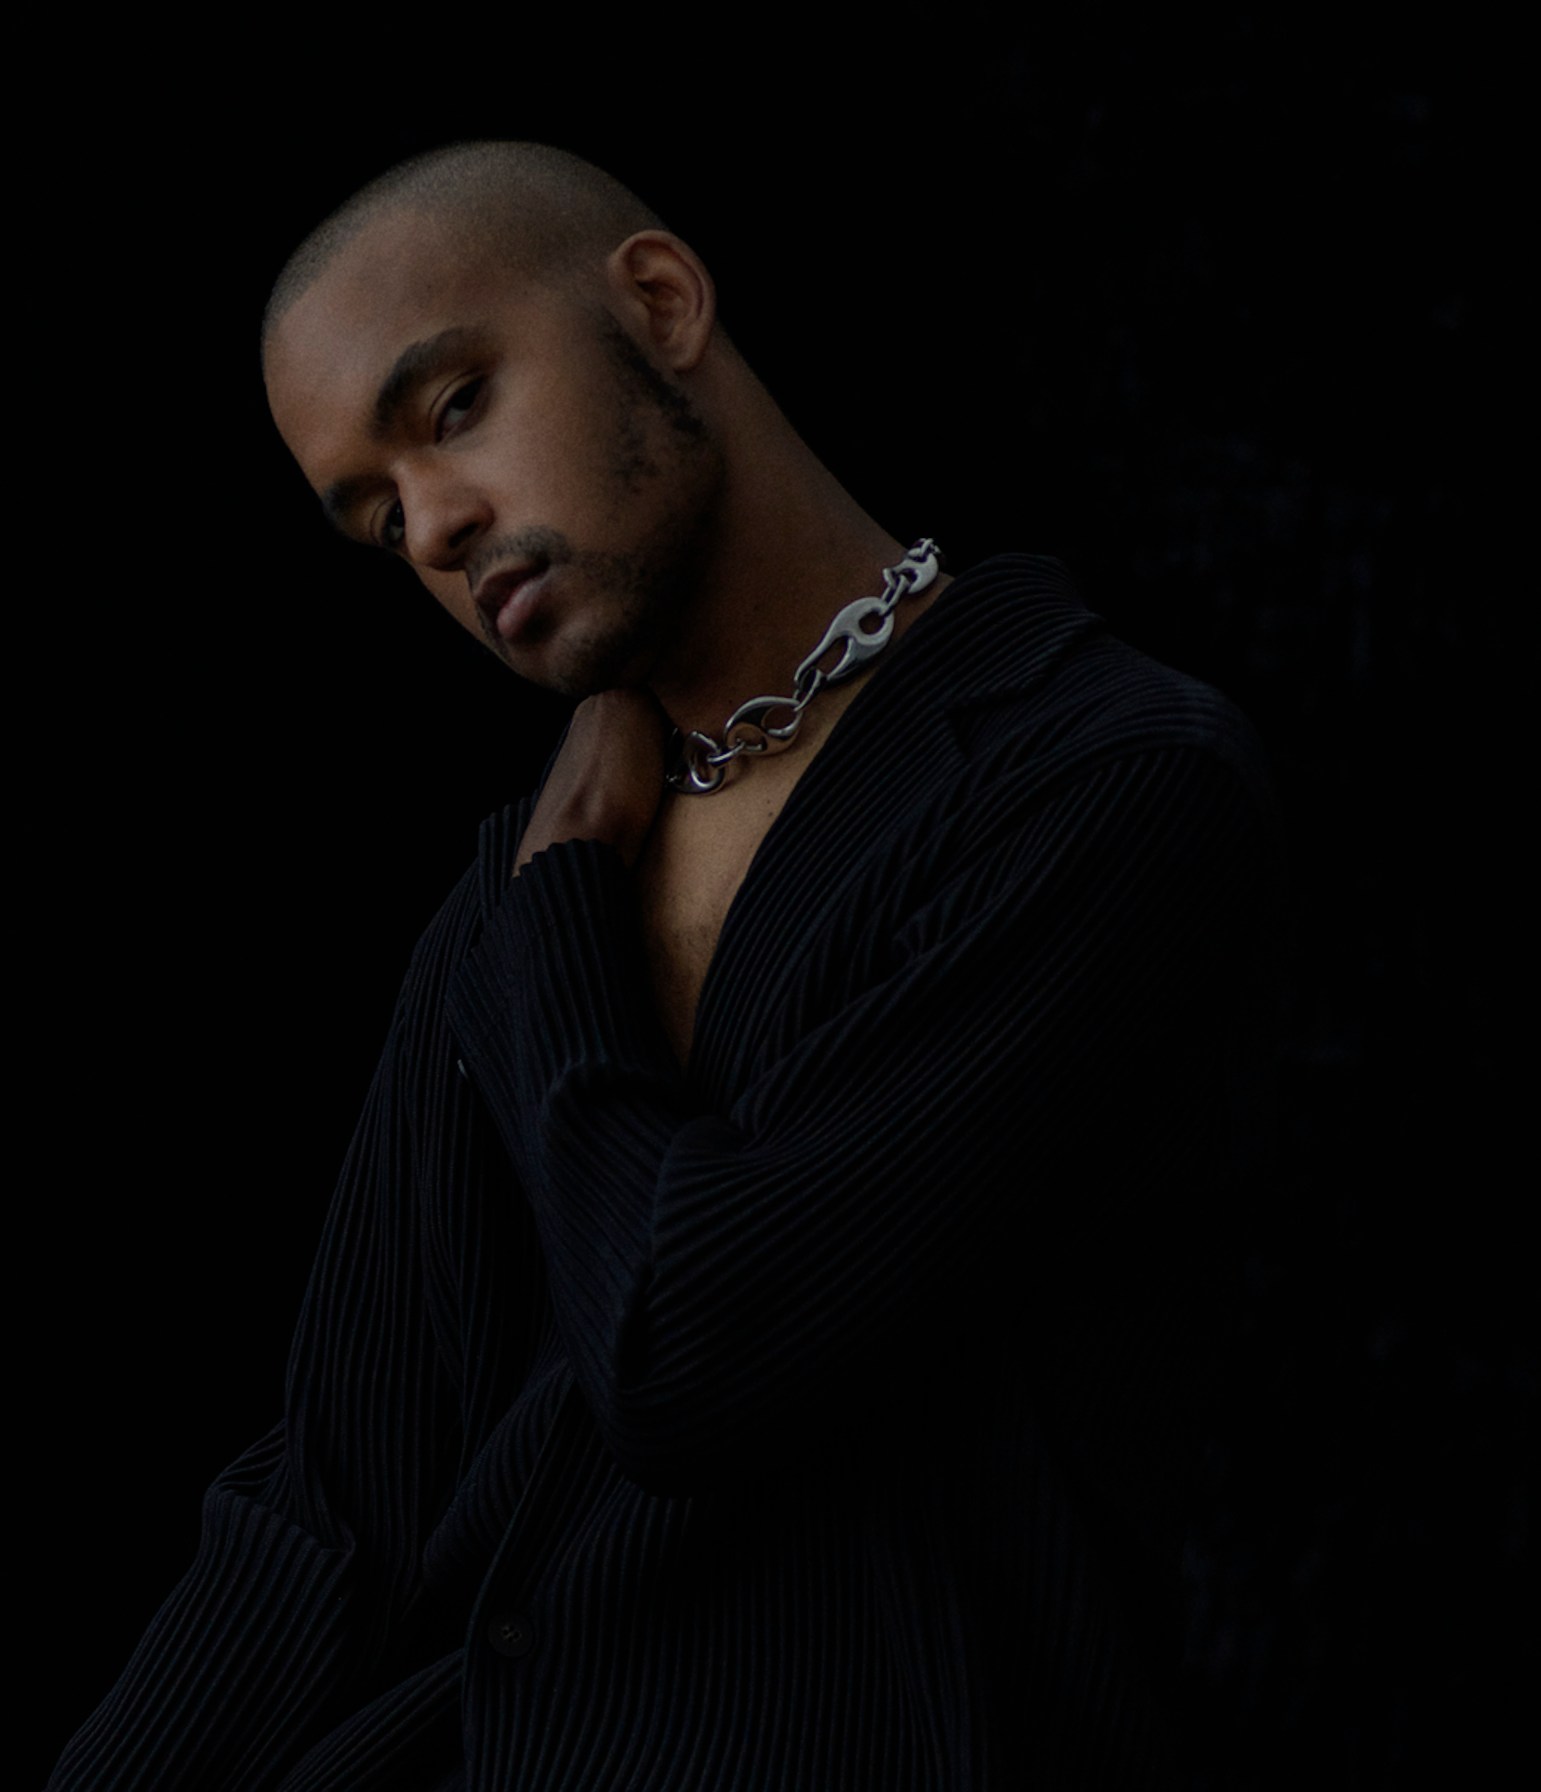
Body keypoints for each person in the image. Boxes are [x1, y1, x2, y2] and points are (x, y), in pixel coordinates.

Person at [53, 141, 1280, 1789]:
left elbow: (694, 1348)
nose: (433, 525)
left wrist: (568, 906)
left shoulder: (1096, 776)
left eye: (454, 408)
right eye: (373, 515)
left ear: (657, 301)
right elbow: (329, 1509)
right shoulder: (506, 909)